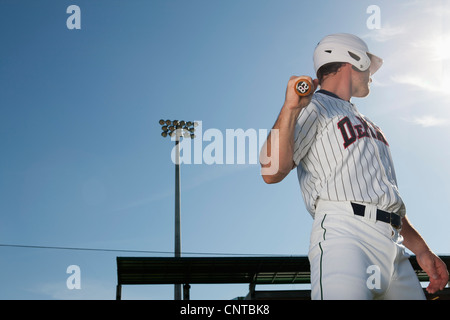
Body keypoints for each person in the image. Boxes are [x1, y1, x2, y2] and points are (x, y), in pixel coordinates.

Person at [260, 33, 448, 299]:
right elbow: (270, 172)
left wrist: (422, 250)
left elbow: (384, 199)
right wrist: (291, 109)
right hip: (345, 235)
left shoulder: (373, 126)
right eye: (368, 64)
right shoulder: (313, 105)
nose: (371, 73)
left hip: (394, 244)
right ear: (354, 59)